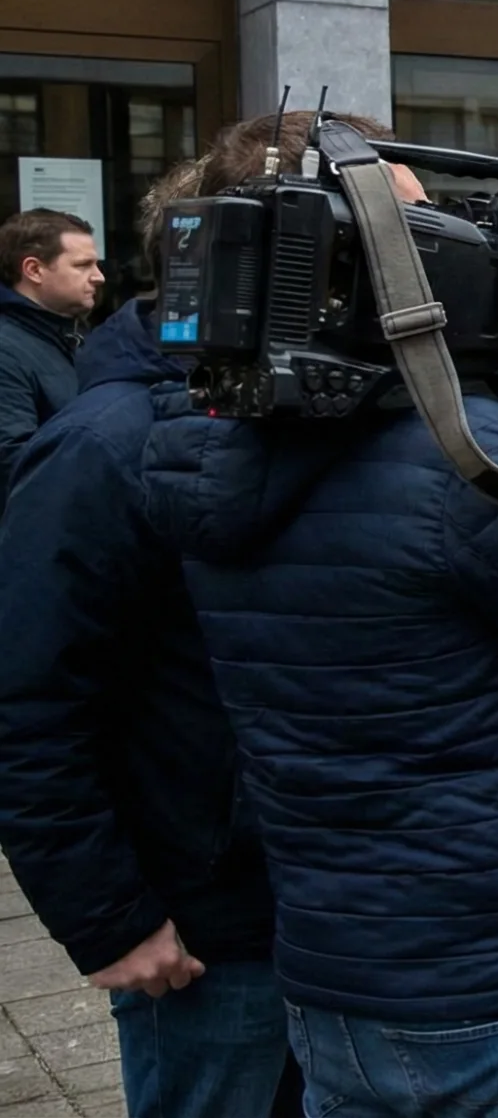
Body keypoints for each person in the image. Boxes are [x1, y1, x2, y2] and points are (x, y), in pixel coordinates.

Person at [138, 115, 498, 1118]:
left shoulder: (208, 454)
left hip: (341, 983)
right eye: (412, 229)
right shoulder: (467, 467)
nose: (451, 251)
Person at [0, 148, 297, 1118]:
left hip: (339, 920)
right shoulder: (101, 446)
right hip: (211, 936)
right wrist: (111, 919)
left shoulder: (318, 416)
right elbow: (30, 703)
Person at [0, 207, 103, 504]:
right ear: (34, 270)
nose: (99, 277)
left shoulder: (75, 335)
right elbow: (15, 462)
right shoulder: (7, 350)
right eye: (83, 265)